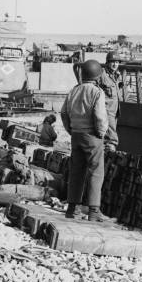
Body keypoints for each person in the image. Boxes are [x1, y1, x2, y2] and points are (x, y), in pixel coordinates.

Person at [60, 60, 109, 222]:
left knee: (76, 172)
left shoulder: (74, 91)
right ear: (97, 76)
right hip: (92, 136)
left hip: (76, 135)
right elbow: (100, 116)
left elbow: (64, 113)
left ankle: (72, 209)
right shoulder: (97, 92)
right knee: (96, 172)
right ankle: (94, 211)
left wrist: (70, 130)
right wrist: (101, 134)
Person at [99, 51, 123, 151]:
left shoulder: (117, 75)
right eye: (112, 62)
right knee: (111, 135)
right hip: (106, 109)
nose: (115, 64)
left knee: (109, 131)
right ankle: (110, 149)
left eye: (117, 62)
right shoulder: (102, 74)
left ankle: (106, 149)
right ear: (107, 62)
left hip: (115, 110)